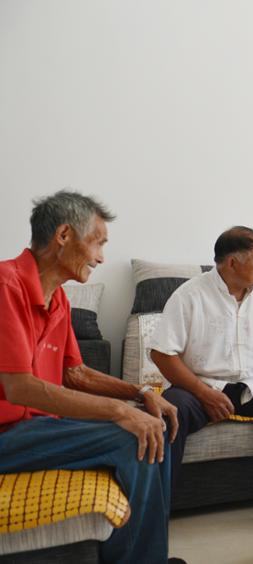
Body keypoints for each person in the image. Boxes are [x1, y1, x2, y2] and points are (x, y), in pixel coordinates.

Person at [0, 190, 183, 564]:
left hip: (34, 429)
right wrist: (119, 410)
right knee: (132, 436)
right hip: (7, 433)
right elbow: (19, 388)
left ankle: (148, 555)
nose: (101, 257)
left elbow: (76, 373)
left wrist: (140, 393)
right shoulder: (6, 285)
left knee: (154, 424)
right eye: (98, 243)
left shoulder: (59, 299)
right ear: (64, 235)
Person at [150, 226, 253, 489]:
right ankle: (158, 502)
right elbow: (161, 354)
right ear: (232, 263)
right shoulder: (190, 295)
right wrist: (204, 393)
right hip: (198, 388)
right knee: (173, 409)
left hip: (248, 387)